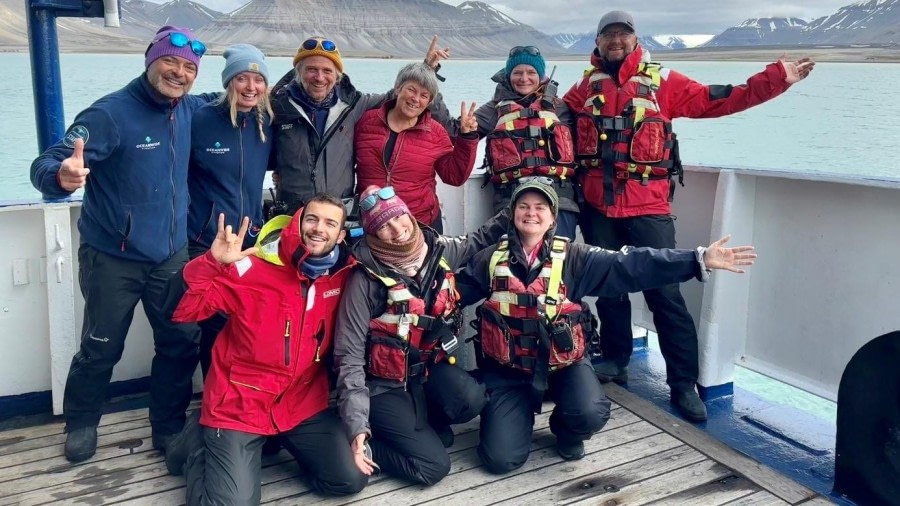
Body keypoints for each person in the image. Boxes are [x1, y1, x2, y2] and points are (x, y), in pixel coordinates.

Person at [562, 10, 814, 422]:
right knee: (608, 288)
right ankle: (615, 358)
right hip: (598, 208)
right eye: (609, 35)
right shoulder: (584, 88)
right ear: (598, 40)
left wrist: (776, 78)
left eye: (623, 35)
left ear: (634, 38)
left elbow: (723, 99)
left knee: (665, 295)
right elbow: (550, 117)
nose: (616, 42)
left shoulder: (664, 83)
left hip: (648, 207)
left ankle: (683, 384)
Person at [455, 180, 756, 473]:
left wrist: (697, 259)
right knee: (500, 459)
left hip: (563, 365)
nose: (531, 213)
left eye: (539, 207)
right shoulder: (491, 258)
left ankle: (568, 431)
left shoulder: (575, 256)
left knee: (589, 412)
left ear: (552, 218)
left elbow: (633, 263)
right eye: (523, 206)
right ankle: (514, 417)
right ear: (512, 214)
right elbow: (453, 294)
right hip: (508, 372)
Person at [29, 26, 217, 463]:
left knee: (179, 342)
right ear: (150, 60)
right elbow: (49, 160)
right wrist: (61, 177)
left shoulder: (188, 109)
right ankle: (81, 421)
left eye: (190, 67)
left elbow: (238, 95)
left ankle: (167, 427)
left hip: (170, 255)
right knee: (101, 346)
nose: (180, 72)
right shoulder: (111, 114)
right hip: (112, 257)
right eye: (171, 61)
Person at [167, 194, 367, 504]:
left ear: (341, 235)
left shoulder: (343, 275)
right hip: (239, 404)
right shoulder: (253, 267)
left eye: (330, 223)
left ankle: (266, 444)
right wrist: (211, 263)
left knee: (349, 479)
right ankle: (199, 444)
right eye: (312, 219)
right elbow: (182, 311)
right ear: (298, 223)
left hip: (299, 404)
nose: (319, 229)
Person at [333, 185, 508, 485]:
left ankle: (427, 422)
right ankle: (366, 441)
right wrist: (356, 426)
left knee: (472, 398)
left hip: (424, 371)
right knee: (433, 467)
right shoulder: (363, 280)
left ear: (409, 215)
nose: (396, 229)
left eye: (398, 217)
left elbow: (478, 239)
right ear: (372, 235)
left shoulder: (436, 248)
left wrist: (518, 209)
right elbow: (347, 358)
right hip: (382, 386)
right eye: (383, 226)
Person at [271, 36, 450, 214]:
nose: (319, 77)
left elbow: (399, 95)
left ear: (337, 75)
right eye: (311, 69)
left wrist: (427, 69)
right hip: (292, 215)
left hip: (338, 215)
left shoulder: (353, 105)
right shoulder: (278, 107)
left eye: (327, 71)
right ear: (298, 71)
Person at [187, 43, 273, 378]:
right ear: (228, 82)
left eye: (258, 79)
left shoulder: (266, 123)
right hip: (206, 241)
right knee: (212, 325)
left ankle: (235, 392)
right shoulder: (201, 118)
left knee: (243, 322)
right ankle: (212, 397)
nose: (251, 87)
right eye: (242, 78)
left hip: (249, 243)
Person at [441, 46, 578, 239]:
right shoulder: (493, 110)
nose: (524, 78)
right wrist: (430, 76)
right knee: (511, 261)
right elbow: (454, 132)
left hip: (560, 202)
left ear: (541, 76)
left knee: (559, 260)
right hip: (510, 202)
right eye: (517, 72)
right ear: (507, 75)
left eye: (531, 72)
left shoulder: (560, 107)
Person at [354, 62, 480, 233]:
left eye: (424, 95)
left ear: (429, 101)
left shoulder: (436, 132)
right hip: (373, 222)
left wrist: (467, 137)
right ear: (397, 89)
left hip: (420, 224)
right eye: (411, 90)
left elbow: (454, 176)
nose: (416, 99)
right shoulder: (366, 122)